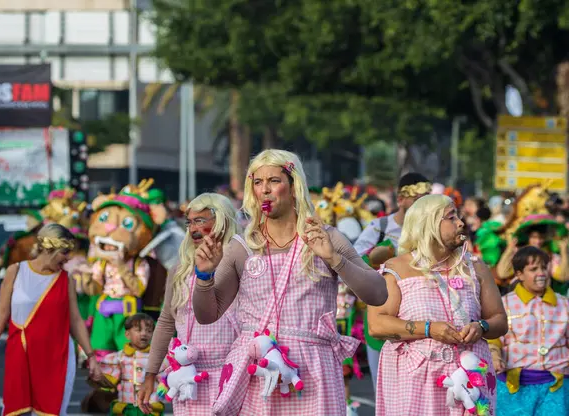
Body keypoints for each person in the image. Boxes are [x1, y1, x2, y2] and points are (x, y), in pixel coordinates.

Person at [192, 149, 388, 415]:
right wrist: (204, 276)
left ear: (294, 186)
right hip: (258, 372)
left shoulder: (326, 237)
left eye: (274, 181)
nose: (265, 190)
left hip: (312, 371)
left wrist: (333, 258)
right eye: (258, 182)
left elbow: (378, 294)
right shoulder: (242, 246)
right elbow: (207, 315)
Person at [368, 194, 508, 416]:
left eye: (459, 216)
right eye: (451, 217)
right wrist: (429, 329)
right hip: (415, 382)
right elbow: (377, 325)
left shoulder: (475, 267)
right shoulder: (396, 268)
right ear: (428, 223)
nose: (461, 223)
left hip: (470, 378)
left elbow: (499, 320)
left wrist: (481, 326)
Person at [0, 223, 103, 416]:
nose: (67, 258)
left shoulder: (66, 279)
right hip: (21, 352)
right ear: (49, 248)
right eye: (64, 252)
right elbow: (2, 314)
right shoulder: (16, 271)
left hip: (57, 356)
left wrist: (91, 356)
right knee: (14, 410)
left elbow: (76, 320)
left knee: (51, 411)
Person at [137, 193, 241, 415]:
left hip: (234, 377)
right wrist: (150, 374)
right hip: (188, 381)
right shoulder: (180, 269)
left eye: (201, 221)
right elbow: (166, 323)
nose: (193, 228)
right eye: (190, 222)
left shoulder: (240, 263)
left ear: (222, 222)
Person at [353, 172, 432, 391]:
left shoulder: (431, 230)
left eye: (427, 199)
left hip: (420, 313)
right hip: (384, 312)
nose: (423, 205)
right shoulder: (380, 227)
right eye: (418, 199)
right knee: (384, 388)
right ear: (401, 199)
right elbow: (354, 263)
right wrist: (376, 258)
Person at [489, 246, 569, 415]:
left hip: (556, 387)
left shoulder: (564, 304)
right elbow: (493, 340)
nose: (541, 273)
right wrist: (495, 357)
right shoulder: (504, 304)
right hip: (514, 388)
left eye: (543, 267)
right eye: (533, 269)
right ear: (518, 274)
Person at [92, 313, 165, 416]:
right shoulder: (118, 357)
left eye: (149, 331)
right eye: (138, 330)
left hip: (150, 406)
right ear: (127, 334)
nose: (144, 334)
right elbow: (108, 381)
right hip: (126, 406)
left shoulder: (157, 358)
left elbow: (164, 379)